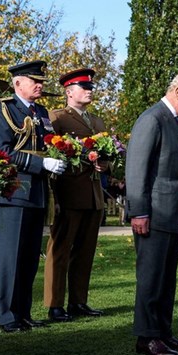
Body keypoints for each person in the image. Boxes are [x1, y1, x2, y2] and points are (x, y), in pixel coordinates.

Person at [126, 71, 178, 355]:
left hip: (170, 214)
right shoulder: (153, 119)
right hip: (154, 214)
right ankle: (146, 338)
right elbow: (137, 169)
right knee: (151, 277)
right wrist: (139, 211)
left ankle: (162, 332)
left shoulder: (172, 120)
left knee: (166, 278)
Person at [0, 60, 66, 333]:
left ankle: (23, 312)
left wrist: (58, 157)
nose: (40, 85)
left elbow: (47, 144)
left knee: (30, 257)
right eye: (35, 81)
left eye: (41, 81)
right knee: (11, 257)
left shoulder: (41, 111)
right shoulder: (4, 108)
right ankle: (7, 316)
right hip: (15, 190)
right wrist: (39, 164)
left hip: (38, 192)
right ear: (18, 82)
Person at [43, 68, 107, 322]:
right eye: (84, 87)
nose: (89, 91)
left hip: (93, 194)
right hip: (68, 193)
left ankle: (78, 301)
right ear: (69, 92)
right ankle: (54, 304)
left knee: (85, 252)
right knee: (60, 250)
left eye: (90, 87)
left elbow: (108, 155)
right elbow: (50, 154)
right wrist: (54, 198)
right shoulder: (57, 118)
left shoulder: (98, 122)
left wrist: (106, 165)